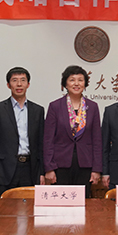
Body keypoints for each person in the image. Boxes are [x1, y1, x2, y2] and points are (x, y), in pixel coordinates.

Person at [0, 67, 45, 197]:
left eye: (23, 80)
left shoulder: (38, 110)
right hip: (4, 170)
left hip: (30, 169)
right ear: (8, 85)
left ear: (28, 84)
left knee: (29, 207)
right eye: (14, 80)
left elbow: (41, 144)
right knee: (4, 207)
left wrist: (42, 172)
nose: (19, 84)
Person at [44, 65, 102, 197]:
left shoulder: (92, 107)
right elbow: (48, 140)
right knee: (61, 202)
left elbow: (97, 140)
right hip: (60, 165)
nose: (76, 84)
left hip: (85, 164)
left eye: (80, 80)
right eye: (72, 80)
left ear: (85, 84)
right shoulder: (55, 106)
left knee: (83, 202)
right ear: (65, 84)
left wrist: (97, 169)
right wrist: (49, 167)